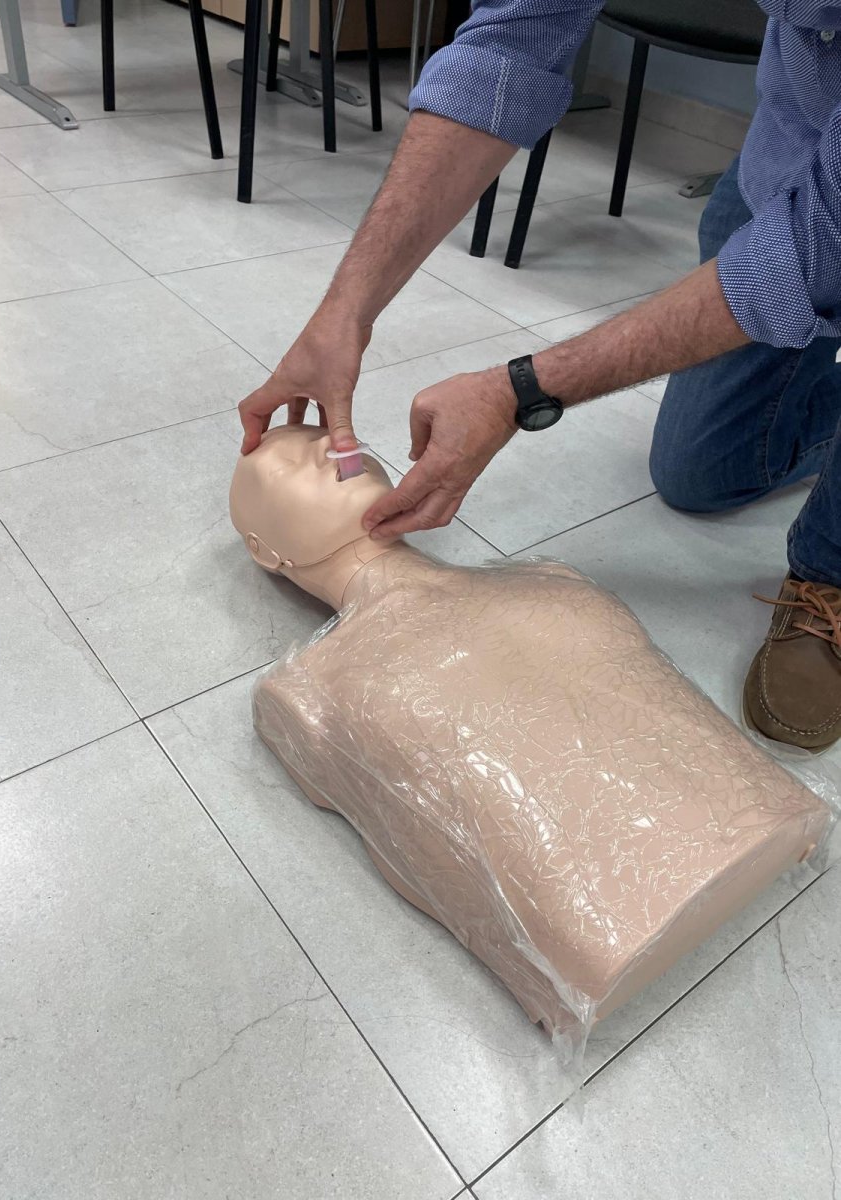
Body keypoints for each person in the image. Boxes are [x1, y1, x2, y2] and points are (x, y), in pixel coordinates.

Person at [238, 0, 841, 753]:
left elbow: (816, 250)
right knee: (701, 475)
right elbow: (509, 43)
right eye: (303, 464)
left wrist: (519, 391)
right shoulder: (323, 687)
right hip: (792, 141)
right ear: (268, 553)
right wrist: (344, 311)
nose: (335, 452)